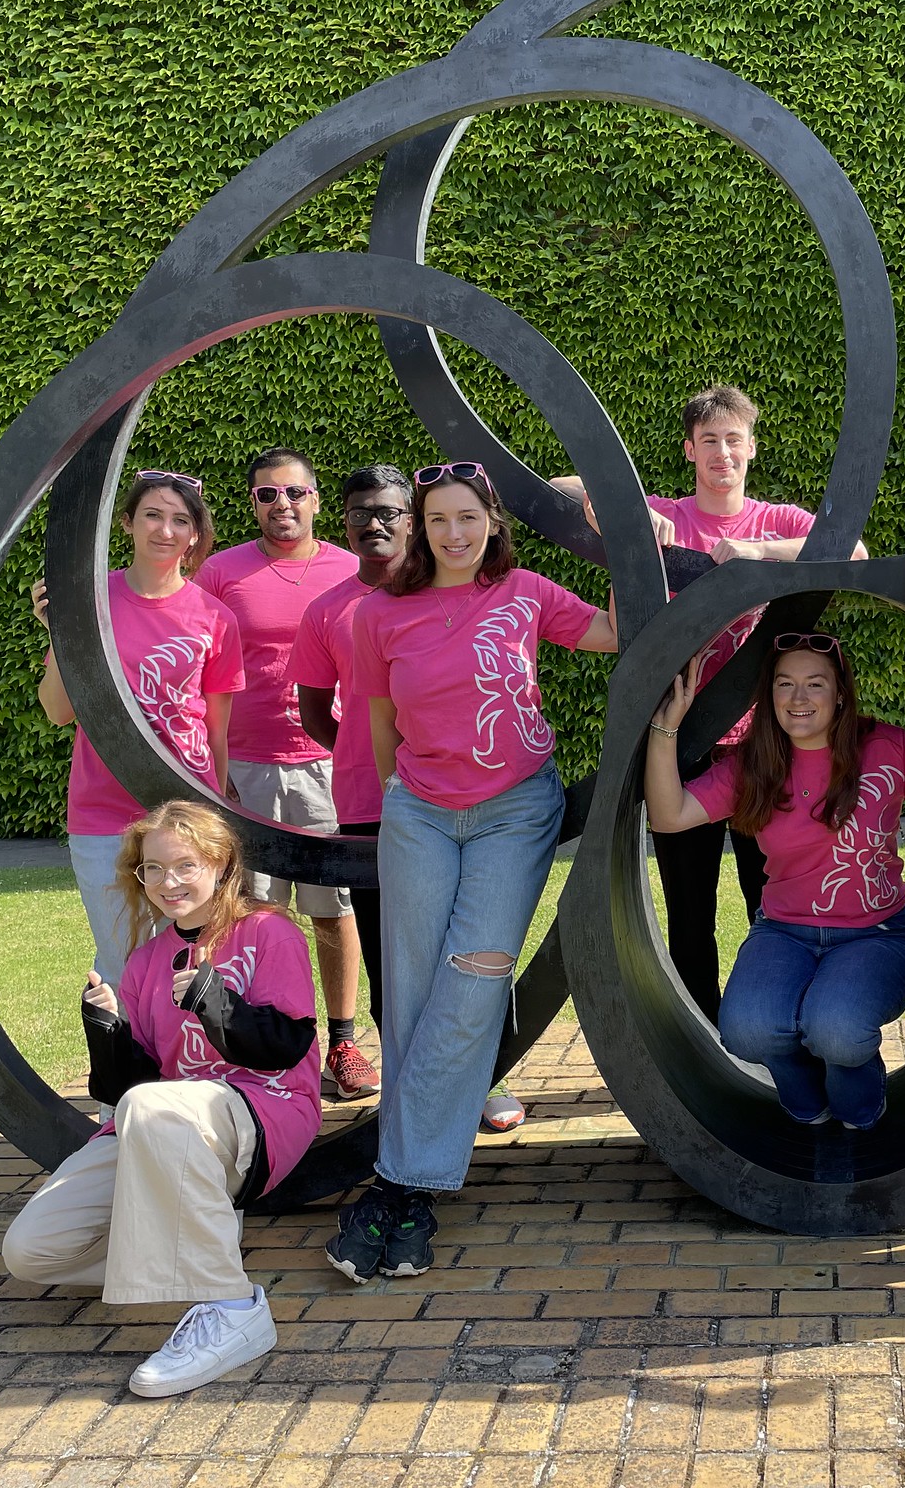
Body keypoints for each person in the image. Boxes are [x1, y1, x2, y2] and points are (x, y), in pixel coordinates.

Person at [326, 461, 617, 1282]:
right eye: (439, 519)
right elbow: (381, 719)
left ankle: (397, 1182)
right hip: (418, 812)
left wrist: (610, 535)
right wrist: (396, 795)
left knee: (474, 978)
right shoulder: (378, 614)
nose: (455, 533)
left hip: (515, 810)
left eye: (469, 517)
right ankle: (411, 1194)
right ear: (420, 526)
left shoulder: (524, 590)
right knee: (413, 989)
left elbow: (617, 630)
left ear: (493, 519)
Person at [553, 384, 863, 1022]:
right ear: (690, 450)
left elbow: (852, 552)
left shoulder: (776, 521)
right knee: (688, 909)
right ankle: (701, 1036)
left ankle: (770, 1028)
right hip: (681, 742)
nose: (723, 453)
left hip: (763, 746)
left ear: (752, 449)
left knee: (768, 899)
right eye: (710, 441)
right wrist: (618, 509)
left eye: (734, 440)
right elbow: (557, 486)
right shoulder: (664, 514)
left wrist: (758, 555)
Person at [1, 800, 321, 1397]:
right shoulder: (146, 961)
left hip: (264, 1105)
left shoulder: (268, 930)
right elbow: (131, 1088)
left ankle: (231, 1307)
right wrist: (109, 1033)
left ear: (222, 865)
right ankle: (199, 1234)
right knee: (31, 1251)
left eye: (185, 865)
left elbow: (286, 1045)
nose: (168, 881)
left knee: (153, 1108)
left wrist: (212, 998)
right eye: (153, 868)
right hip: (166, 1123)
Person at [645, 636, 905, 1127]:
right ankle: (808, 1102)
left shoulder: (883, 748)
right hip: (784, 933)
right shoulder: (756, 763)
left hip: (876, 934)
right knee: (746, 1031)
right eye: (785, 685)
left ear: (840, 692)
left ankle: (859, 1107)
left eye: (814, 684)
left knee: (836, 1031)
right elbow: (669, 816)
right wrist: (665, 728)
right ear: (769, 695)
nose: (799, 699)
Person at [287, 465, 527, 1132]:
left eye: (391, 511)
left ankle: (488, 1077)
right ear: (344, 523)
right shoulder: (326, 611)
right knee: (395, 955)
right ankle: (411, 1093)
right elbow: (314, 715)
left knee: (476, 941)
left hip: (462, 795)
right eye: (362, 512)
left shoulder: (461, 593)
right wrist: (367, 758)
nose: (377, 523)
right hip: (371, 804)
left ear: (413, 522)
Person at [195, 447, 373, 1099]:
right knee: (258, 917)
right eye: (268, 495)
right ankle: (273, 1052)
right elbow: (200, 670)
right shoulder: (220, 574)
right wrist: (217, 771)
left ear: (317, 500)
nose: (283, 506)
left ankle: (345, 1044)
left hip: (332, 764)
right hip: (248, 767)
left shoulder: (354, 569)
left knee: (335, 909)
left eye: (295, 493)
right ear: (252, 503)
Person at [33, 470, 242, 983]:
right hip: (104, 811)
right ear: (126, 522)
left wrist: (218, 811)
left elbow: (216, 730)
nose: (164, 530)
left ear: (196, 534)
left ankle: (192, 1063)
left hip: (189, 813)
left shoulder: (215, 618)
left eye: (180, 519)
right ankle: (125, 1064)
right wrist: (61, 631)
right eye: (152, 514)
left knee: (196, 961)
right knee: (124, 961)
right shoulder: (88, 602)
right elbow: (59, 712)